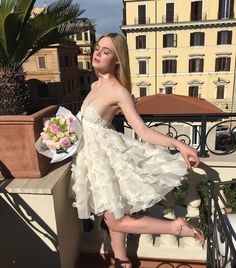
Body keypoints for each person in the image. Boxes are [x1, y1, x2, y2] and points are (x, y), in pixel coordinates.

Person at [71, 33, 204, 268]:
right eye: (97, 48)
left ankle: (177, 228)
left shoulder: (118, 91)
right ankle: (122, 261)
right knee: (112, 217)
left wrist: (179, 144)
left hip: (107, 160)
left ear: (118, 60)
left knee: (117, 222)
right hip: (94, 159)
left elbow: (142, 130)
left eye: (106, 51)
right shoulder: (93, 85)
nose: (98, 53)